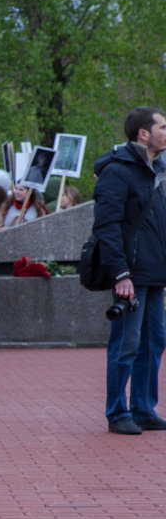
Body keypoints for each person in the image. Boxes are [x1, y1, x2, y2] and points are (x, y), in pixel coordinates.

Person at [92, 106, 166, 435]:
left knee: (154, 342)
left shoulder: (160, 170)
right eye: (163, 127)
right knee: (126, 344)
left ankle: (143, 408)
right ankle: (117, 412)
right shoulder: (117, 171)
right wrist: (120, 273)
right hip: (131, 275)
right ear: (143, 134)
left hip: (156, 272)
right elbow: (106, 227)